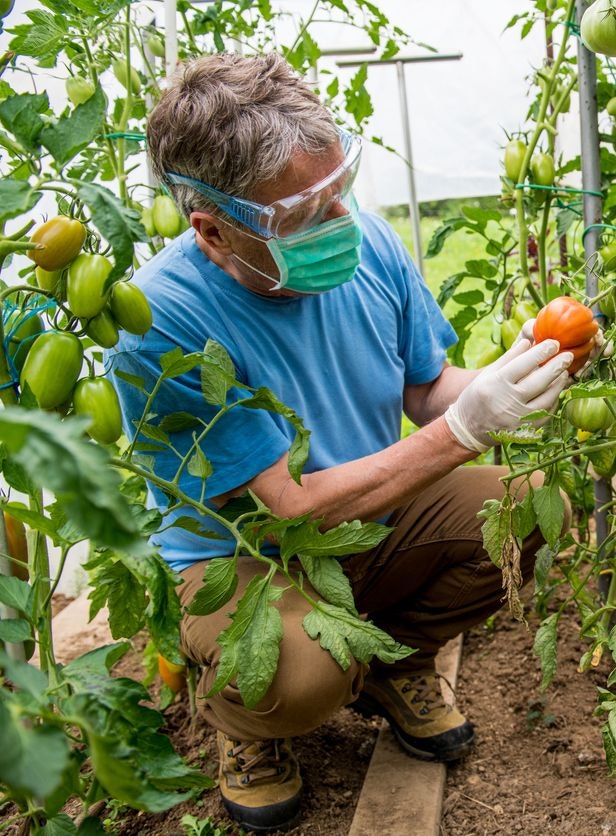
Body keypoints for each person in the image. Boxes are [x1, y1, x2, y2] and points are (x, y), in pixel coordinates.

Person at [106, 53, 580, 832]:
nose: (336, 222)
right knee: (295, 678)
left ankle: (392, 664)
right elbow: (289, 506)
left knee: (526, 512)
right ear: (213, 229)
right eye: (301, 214)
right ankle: (248, 728)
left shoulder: (369, 247)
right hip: (244, 558)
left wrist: (510, 375)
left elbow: (424, 390)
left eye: (340, 193)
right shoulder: (162, 320)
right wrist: (469, 430)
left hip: (371, 513)